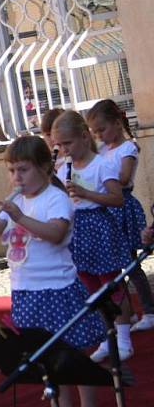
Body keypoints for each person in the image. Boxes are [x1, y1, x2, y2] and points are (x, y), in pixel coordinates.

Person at [0, 135, 105, 407]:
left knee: (73, 351)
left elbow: (57, 234)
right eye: (11, 171)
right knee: (45, 355)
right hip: (25, 289)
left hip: (56, 288)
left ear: (45, 168)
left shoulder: (55, 199)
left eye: (22, 170)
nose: (16, 177)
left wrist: (19, 217)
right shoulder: (17, 201)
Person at [52, 110, 132, 361]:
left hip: (98, 224)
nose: (64, 149)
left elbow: (117, 198)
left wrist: (86, 194)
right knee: (89, 286)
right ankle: (106, 337)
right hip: (78, 228)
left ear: (85, 137)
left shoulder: (102, 164)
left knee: (111, 283)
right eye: (59, 144)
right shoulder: (64, 166)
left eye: (68, 143)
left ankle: (124, 337)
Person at [87, 99, 154, 332]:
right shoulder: (102, 150)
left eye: (102, 130)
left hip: (122, 207)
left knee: (131, 262)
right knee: (115, 264)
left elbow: (124, 178)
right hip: (106, 209)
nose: (99, 136)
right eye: (94, 132)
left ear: (117, 123)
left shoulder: (128, 148)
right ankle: (128, 312)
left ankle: (149, 309)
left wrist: (102, 175)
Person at [40, 108, 66, 173]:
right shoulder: (41, 162)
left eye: (56, 133)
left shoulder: (76, 159)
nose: (52, 139)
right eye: (48, 135)